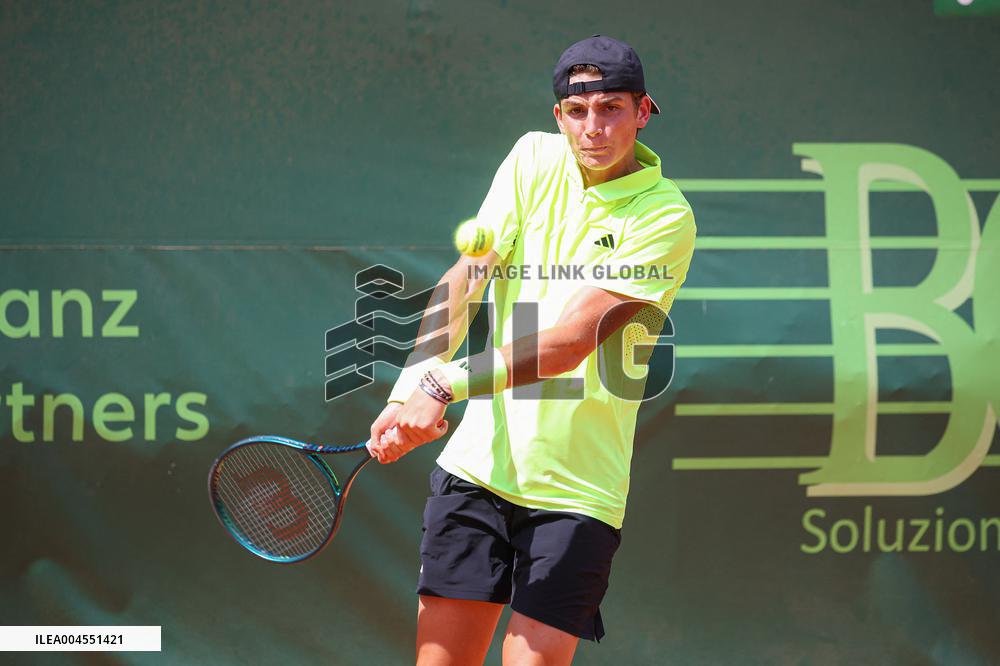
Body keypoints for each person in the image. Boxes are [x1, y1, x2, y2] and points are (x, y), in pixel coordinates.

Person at [368, 35, 697, 666]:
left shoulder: (665, 216)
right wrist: (408, 389)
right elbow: (468, 276)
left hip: (577, 493)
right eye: (578, 112)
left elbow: (570, 341)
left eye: (611, 109)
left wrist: (443, 388)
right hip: (475, 473)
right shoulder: (530, 160)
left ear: (643, 111)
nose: (593, 128)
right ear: (558, 116)